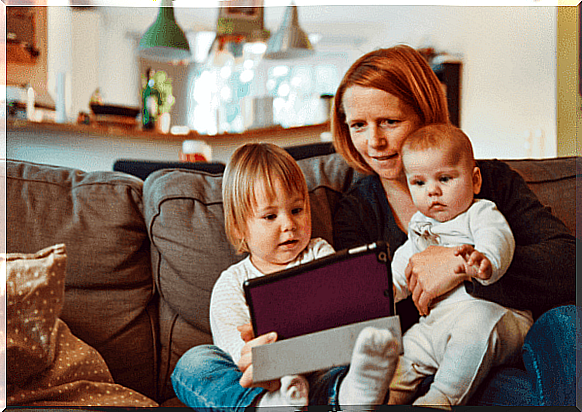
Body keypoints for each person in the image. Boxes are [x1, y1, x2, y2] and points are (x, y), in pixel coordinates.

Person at [330, 44, 576, 405]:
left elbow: (569, 264)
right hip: (439, 363)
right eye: (358, 125)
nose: (374, 141)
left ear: (425, 115)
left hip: (517, 338)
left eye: (389, 122)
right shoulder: (356, 211)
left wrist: (461, 265)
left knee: (569, 322)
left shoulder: (490, 181)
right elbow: (362, 311)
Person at [171, 142, 400, 410]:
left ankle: (353, 395)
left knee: (355, 355)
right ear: (239, 228)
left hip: (320, 371)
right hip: (264, 382)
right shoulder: (230, 283)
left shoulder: (319, 253)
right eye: (270, 216)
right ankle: (266, 405)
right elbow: (237, 354)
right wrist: (261, 361)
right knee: (194, 362)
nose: (288, 224)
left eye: (296, 210)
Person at [386, 123, 533, 407]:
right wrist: (389, 289)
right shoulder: (420, 226)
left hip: (495, 317)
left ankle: (440, 398)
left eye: (444, 178)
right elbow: (407, 262)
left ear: (474, 180)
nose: (433, 192)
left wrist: (485, 260)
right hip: (437, 323)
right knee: (409, 347)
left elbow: (497, 237)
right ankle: (385, 395)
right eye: (419, 183)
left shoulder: (479, 212)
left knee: (473, 328)